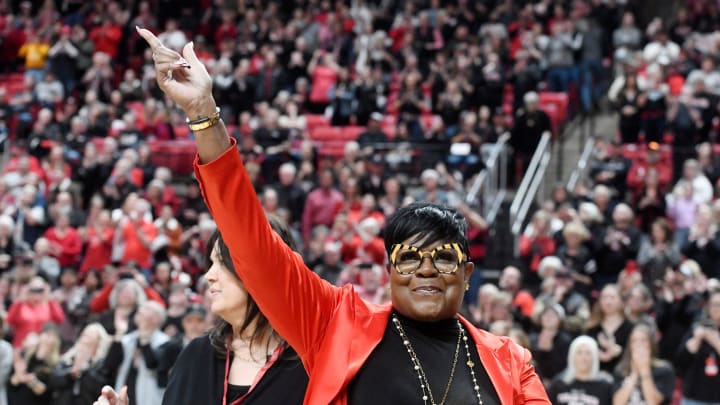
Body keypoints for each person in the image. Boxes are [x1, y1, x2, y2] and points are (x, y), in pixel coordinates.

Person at [134, 27, 550, 405]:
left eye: (444, 258)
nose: (426, 270)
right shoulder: (337, 324)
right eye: (409, 257)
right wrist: (204, 113)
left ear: (468, 272)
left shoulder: (512, 363)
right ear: (390, 269)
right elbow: (252, 245)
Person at [95, 217, 309, 405]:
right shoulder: (196, 355)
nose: (209, 275)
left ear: (263, 269)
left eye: (222, 263)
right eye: (211, 263)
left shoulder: (309, 364)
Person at [546, 336, 614, 405]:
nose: (583, 357)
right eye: (579, 353)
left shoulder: (604, 386)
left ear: (595, 357)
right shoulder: (559, 383)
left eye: (588, 353)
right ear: (572, 356)